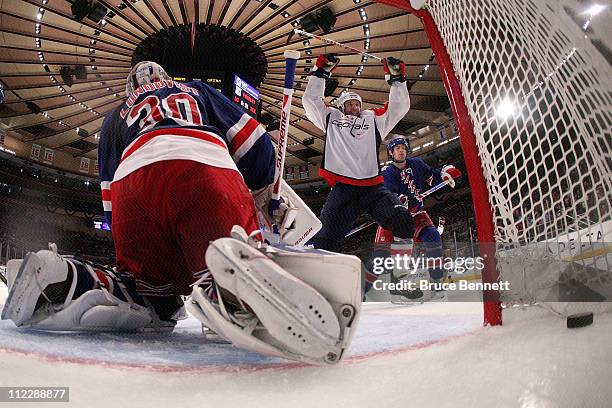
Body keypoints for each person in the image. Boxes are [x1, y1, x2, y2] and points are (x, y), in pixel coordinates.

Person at [1, 61, 362, 365]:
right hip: (200, 164)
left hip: (133, 188)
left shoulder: (114, 119)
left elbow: (109, 195)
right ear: (166, 77)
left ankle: (71, 279)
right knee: (222, 257)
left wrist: (131, 250)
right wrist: (265, 191)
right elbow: (252, 138)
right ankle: (226, 291)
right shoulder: (195, 90)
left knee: (151, 295)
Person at [302, 54, 415, 252]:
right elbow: (310, 101)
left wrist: (397, 79)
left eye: (357, 104)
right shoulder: (331, 117)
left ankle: (401, 265)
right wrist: (321, 72)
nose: (354, 108)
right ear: (341, 106)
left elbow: (399, 107)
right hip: (343, 191)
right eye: (349, 104)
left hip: (373, 189)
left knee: (404, 221)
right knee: (324, 242)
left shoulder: (373, 119)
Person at [367, 137, 461, 299]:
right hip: (394, 218)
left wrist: (445, 174)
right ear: (391, 152)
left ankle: (437, 283)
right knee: (381, 257)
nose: (401, 150)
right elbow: (385, 196)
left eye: (403, 147)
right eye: (397, 148)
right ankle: (360, 290)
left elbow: (433, 177)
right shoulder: (387, 172)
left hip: (416, 213)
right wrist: (400, 200)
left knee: (432, 237)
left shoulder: (417, 164)